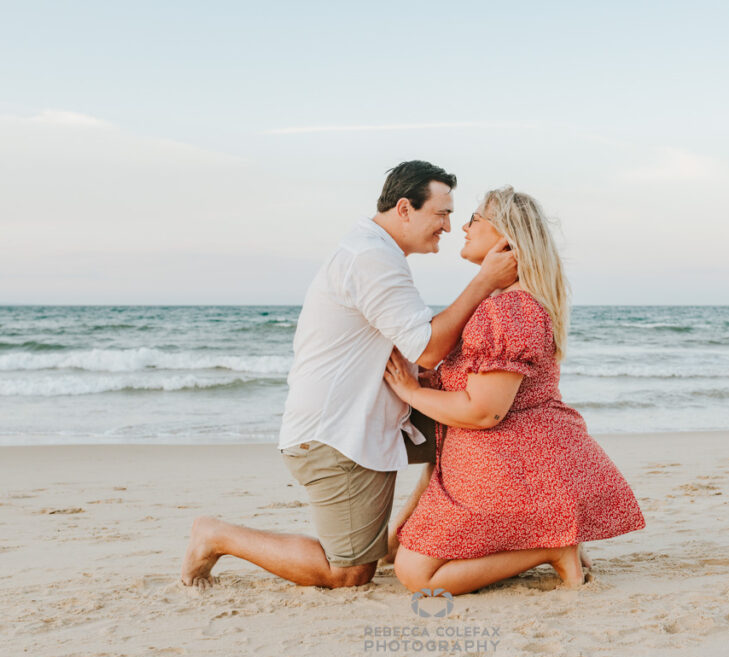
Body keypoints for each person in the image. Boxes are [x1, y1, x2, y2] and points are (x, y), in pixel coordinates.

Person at [180, 161, 518, 588]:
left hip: (369, 419)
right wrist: (485, 280)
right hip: (334, 434)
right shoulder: (371, 258)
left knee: (462, 427)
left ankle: (414, 535)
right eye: (441, 213)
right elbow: (429, 347)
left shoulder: (378, 252)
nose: (449, 227)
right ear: (404, 209)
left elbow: (410, 347)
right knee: (349, 573)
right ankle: (215, 535)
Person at [383, 186, 646, 596]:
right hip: (512, 464)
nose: (463, 227)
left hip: (512, 470)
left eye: (475, 220)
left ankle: (551, 550)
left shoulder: (507, 309)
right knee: (401, 548)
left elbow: (484, 412)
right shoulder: (507, 301)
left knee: (415, 574)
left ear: (506, 237)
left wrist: (409, 391)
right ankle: (551, 541)